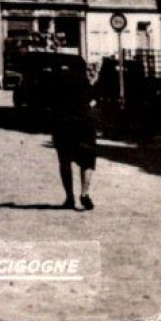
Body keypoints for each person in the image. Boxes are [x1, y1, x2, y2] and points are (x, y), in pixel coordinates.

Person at [50, 59, 98, 211]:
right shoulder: (85, 83)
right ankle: (84, 193)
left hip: (62, 125)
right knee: (88, 160)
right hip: (84, 126)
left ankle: (69, 197)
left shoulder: (58, 83)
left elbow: (50, 104)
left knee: (65, 162)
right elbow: (93, 103)